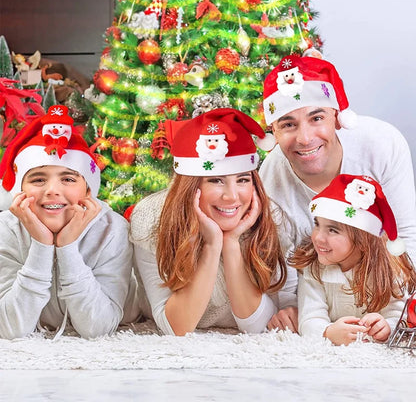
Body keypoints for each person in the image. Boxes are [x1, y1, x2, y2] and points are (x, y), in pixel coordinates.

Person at [129, 108, 297, 336]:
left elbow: (259, 326)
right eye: (216, 180)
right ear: (190, 188)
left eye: (242, 180)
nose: (232, 196)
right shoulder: (152, 219)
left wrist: (232, 244)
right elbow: (176, 328)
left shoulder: (272, 220)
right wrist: (211, 245)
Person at [259, 54, 416, 269]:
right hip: (315, 294)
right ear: (273, 133)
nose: (305, 139)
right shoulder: (270, 180)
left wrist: (402, 299)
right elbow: (282, 266)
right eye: (288, 125)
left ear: (337, 118)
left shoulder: (382, 144)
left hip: (387, 284)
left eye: (316, 118)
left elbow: (407, 236)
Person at [0, 105, 139, 339]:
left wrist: (67, 248)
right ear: (20, 191)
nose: (52, 191)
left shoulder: (112, 230)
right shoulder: (6, 229)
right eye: (38, 179)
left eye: (68, 178)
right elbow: (10, 329)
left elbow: (98, 329)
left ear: (87, 189)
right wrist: (42, 245)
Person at [290, 174, 416, 346]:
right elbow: (309, 318)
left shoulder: (390, 270)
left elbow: (400, 316)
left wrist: (385, 326)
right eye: (317, 224)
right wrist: (328, 333)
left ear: (363, 240)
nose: (318, 237)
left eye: (333, 230)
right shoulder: (314, 268)